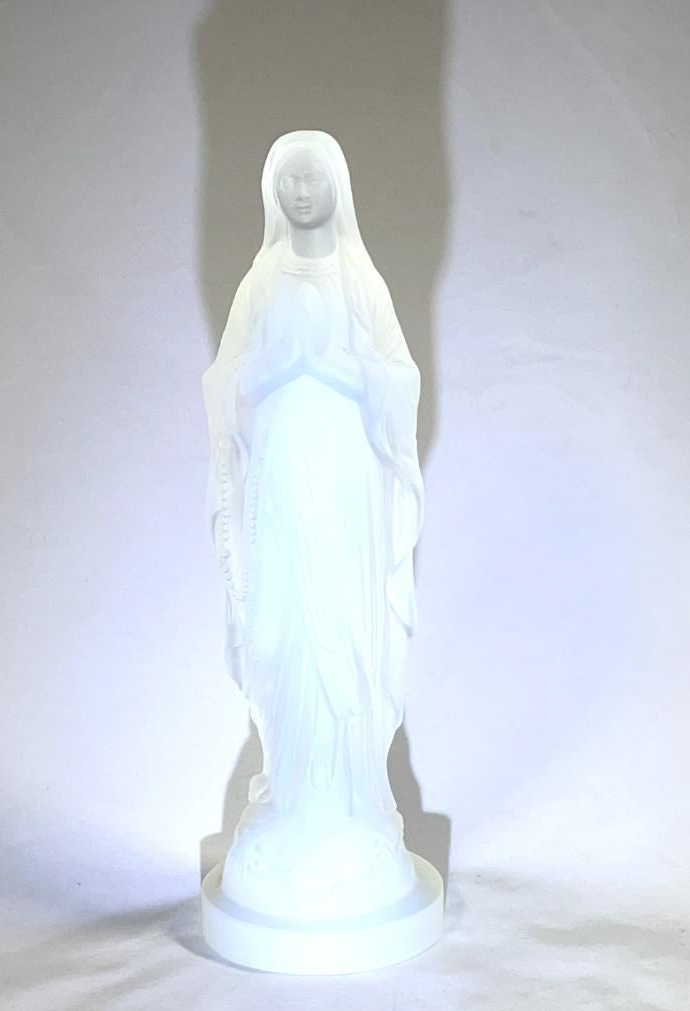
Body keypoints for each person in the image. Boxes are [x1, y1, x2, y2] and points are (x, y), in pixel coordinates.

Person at [202, 130, 425, 920]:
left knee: (343, 624)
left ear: (338, 186)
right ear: (272, 191)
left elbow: (401, 378)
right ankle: (294, 798)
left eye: (313, 177)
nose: (301, 191)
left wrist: (337, 367)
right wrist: (274, 368)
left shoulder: (361, 282)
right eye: (288, 179)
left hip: (346, 490)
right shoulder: (260, 283)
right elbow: (224, 383)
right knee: (284, 624)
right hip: (281, 490)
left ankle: (351, 803)